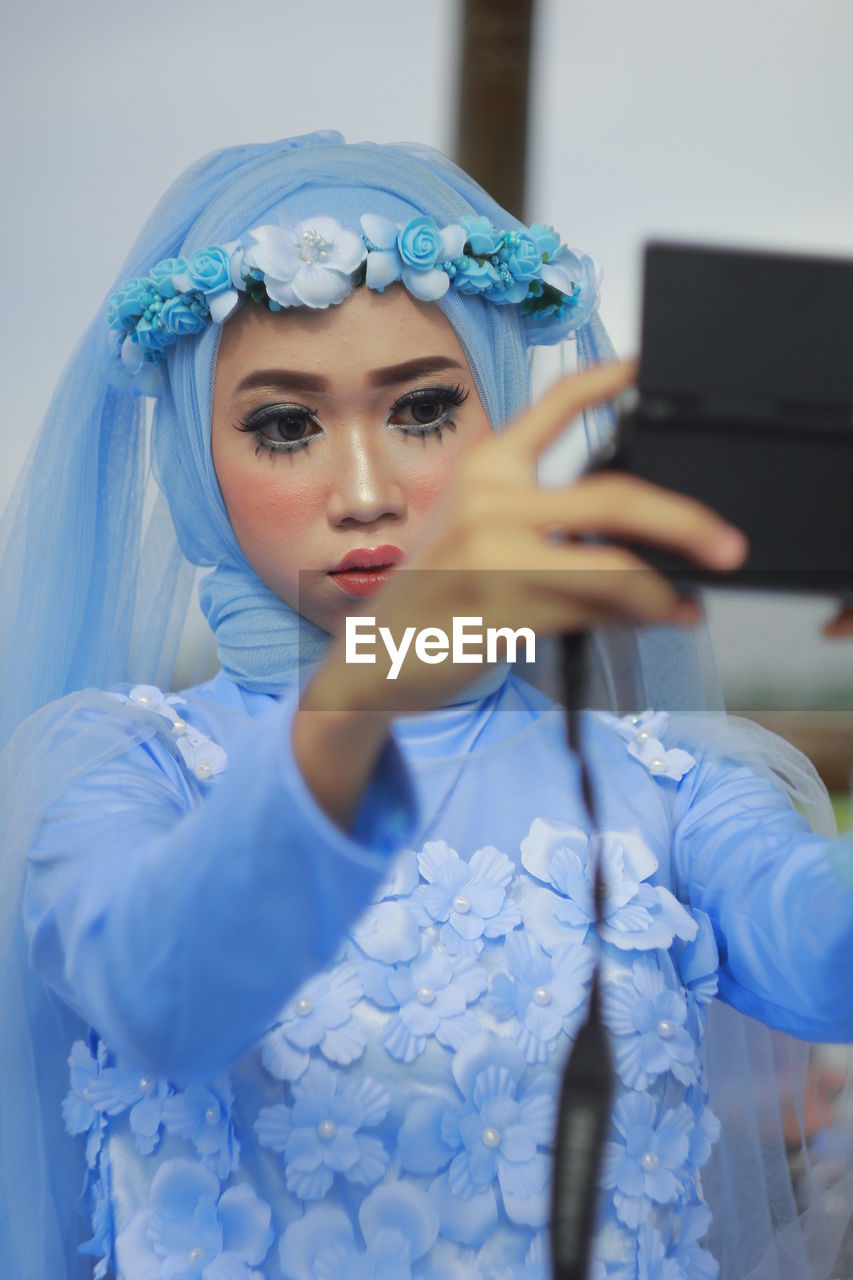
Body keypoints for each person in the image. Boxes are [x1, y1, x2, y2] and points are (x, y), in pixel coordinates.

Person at [0, 131, 850, 1280]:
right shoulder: (126, 766)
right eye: (284, 424)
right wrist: (367, 687)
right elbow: (167, 993)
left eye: (425, 409)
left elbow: (830, 955)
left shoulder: (668, 786)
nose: (364, 492)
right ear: (194, 463)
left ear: (503, 418)